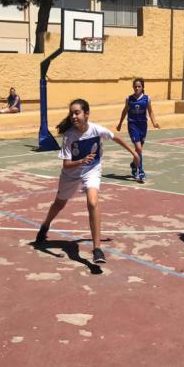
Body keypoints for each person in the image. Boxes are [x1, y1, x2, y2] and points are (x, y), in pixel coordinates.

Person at [35, 99, 140, 264]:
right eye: (72, 113)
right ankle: (45, 224)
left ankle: (97, 249)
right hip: (71, 174)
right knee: (59, 204)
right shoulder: (69, 136)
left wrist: (133, 153)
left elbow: (115, 138)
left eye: (77, 112)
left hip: (92, 170)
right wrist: (81, 161)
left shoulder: (96, 129)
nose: (74, 116)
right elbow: (66, 165)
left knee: (92, 202)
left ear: (86, 113)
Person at [116, 78, 160, 183]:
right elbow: (124, 111)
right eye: (135, 86)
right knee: (139, 149)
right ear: (133, 87)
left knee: (138, 151)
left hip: (143, 126)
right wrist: (120, 123)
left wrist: (154, 123)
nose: (137, 88)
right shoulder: (129, 99)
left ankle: (133, 164)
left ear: (142, 87)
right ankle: (140, 172)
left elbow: (150, 111)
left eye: (139, 86)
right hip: (132, 125)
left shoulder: (147, 98)